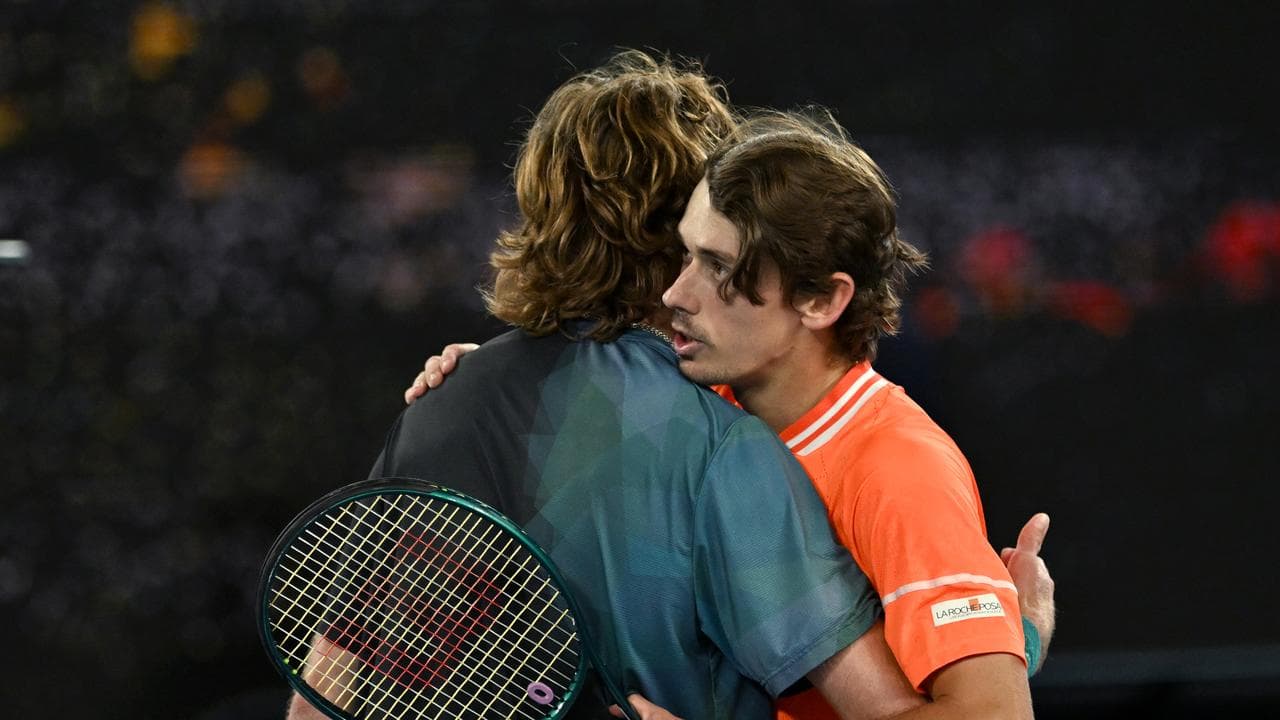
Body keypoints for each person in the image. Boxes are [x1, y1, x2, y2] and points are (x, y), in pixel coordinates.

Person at [287, 51, 928, 720]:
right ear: (697, 221)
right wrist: (1017, 636)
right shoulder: (725, 449)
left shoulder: (440, 405)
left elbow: (320, 705)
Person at [407, 111, 1056, 720]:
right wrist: (492, 378)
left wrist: (1007, 654)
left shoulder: (900, 471)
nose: (675, 294)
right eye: (688, 254)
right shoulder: (704, 413)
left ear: (820, 300)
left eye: (717, 267)